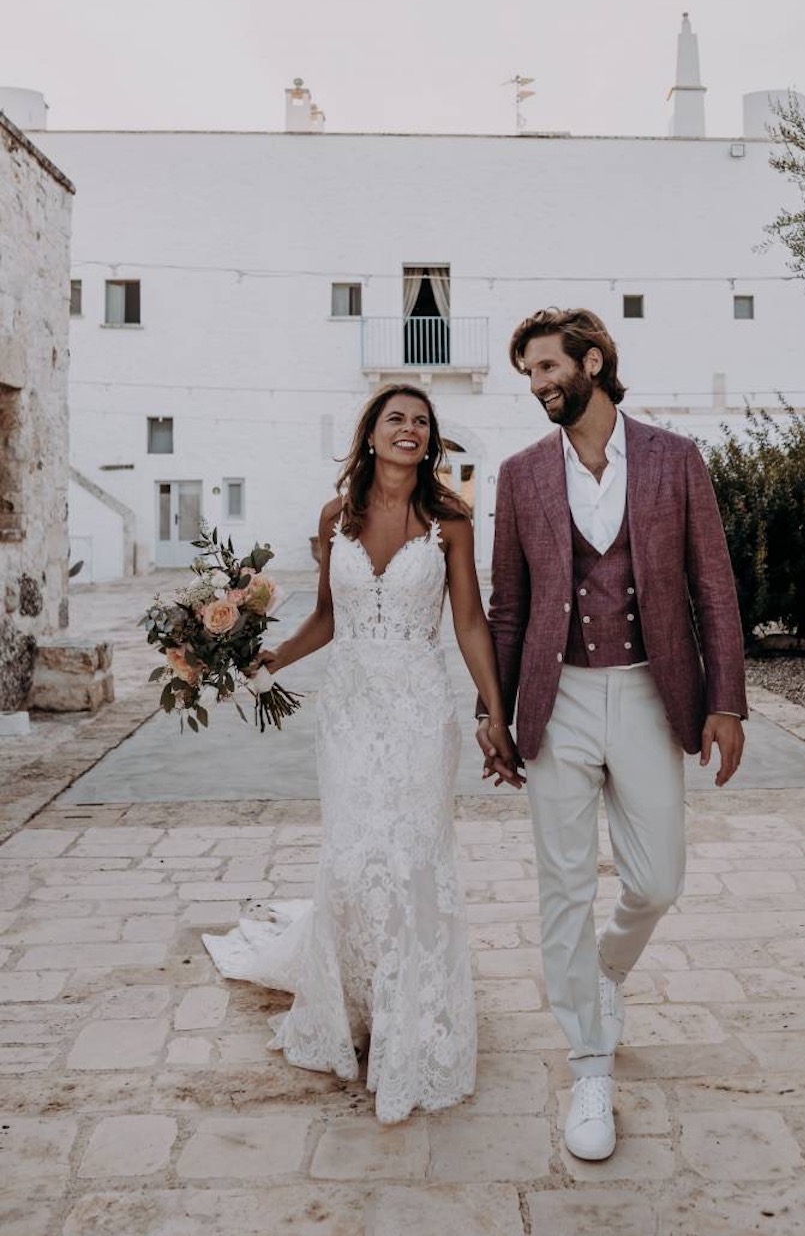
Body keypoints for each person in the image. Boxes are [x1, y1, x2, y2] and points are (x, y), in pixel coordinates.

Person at [204, 383, 519, 1124]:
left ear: (430, 440)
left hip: (416, 707)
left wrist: (493, 712)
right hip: (348, 709)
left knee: (411, 857)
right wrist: (266, 661)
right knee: (350, 857)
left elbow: (469, 622)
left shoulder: (452, 521)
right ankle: (359, 1001)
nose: (408, 430)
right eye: (395, 420)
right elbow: (326, 617)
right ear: (370, 434)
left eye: (420, 422)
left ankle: (415, 1018)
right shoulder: (334, 517)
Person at [476, 307, 746, 1161]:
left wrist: (726, 701)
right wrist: (496, 711)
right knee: (561, 887)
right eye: (528, 374)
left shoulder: (674, 459)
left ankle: (607, 972)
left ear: (593, 360)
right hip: (555, 704)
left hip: (644, 691)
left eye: (549, 367)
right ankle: (588, 1066)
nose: (538, 385)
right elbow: (508, 606)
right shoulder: (519, 475)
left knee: (657, 879)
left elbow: (714, 587)